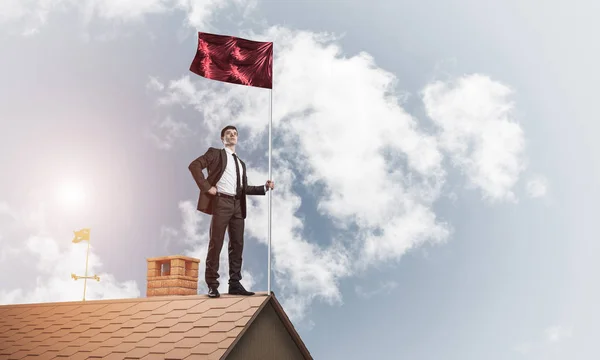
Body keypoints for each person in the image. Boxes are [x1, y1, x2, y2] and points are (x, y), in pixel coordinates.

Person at [188, 125, 274, 298]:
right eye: (229, 134)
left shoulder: (241, 164)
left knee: (237, 245)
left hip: (237, 205)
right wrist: (206, 187)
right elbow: (194, 166)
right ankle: (212, 284)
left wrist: (264, 188)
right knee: (216, 243)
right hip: (221, 202)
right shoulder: (215, 154)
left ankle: (234, 284)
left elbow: (243, 188)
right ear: (222, 138)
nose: (232, 136)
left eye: (235, 134)